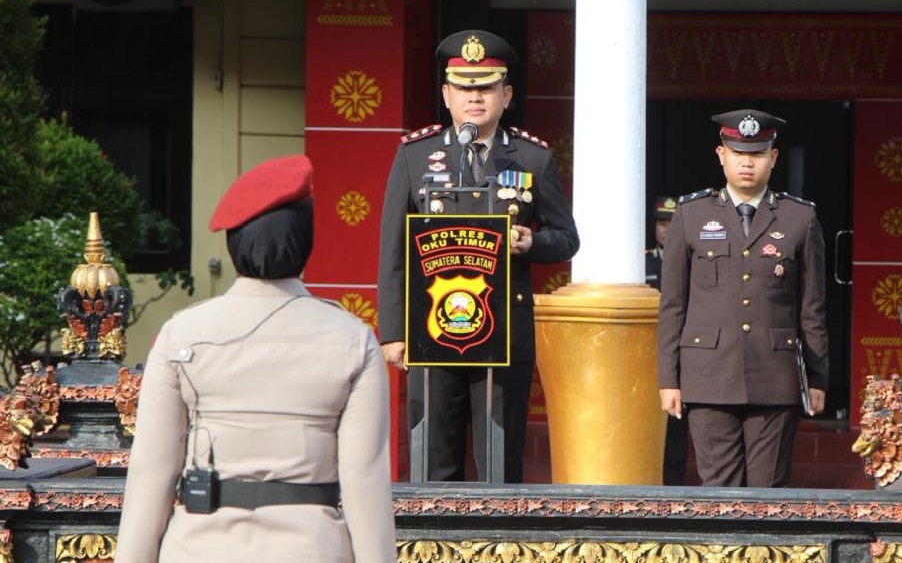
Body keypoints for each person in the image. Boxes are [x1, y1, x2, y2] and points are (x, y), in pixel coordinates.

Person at [115, 155, 396, 562]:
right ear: (306, 239)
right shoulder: (353, 340)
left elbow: (152, 474)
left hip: (200, 548)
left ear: (233, 243)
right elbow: (365, 481)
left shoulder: (181, 334)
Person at [377, 29, 580, 483]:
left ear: (506, 94)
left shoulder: (532, 158)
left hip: (503, 332)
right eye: (465, 88)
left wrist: (532, 241)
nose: (475, 98)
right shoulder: (416, 155)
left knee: (500, 466)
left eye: (486, 87)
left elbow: (567, 237)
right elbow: (392, 248)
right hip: (432, 330)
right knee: (433, 460)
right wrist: (393, 330)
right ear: (446, 94)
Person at [657, 109, 829, 488]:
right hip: (707, 375)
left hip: (775, 375)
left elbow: (811, 307)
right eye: (738, 153)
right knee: (719, 492)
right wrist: (669, 379)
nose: (747, 163)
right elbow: (673, 305)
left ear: (773, 157)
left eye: (756, 154)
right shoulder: (691, 215)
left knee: (768, 493)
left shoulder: (800, 218)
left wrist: (817, 379)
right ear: (721, 155)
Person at [644, 195, 689, 485]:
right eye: (661, 223)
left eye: (671, 223)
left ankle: (675, 485)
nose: (666, 229)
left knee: (676, 423)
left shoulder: (692, 257)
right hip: (648, 351)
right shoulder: (642, 259)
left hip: (681, 350)